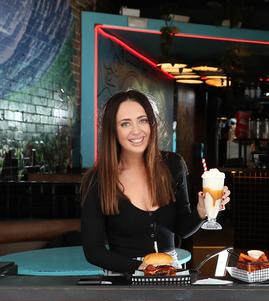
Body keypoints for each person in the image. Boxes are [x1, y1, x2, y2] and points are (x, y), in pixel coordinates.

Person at [81, 90, 231, 273]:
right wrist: (142, 268)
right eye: (125, 123)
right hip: (124, 274)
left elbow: (181, 229)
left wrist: (201, 211)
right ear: (112, 130)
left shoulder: (173, 165)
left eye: (142, 120)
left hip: (170, 270)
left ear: (152, 123)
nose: (137, 130)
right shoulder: (97, 180)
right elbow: (93, 252)